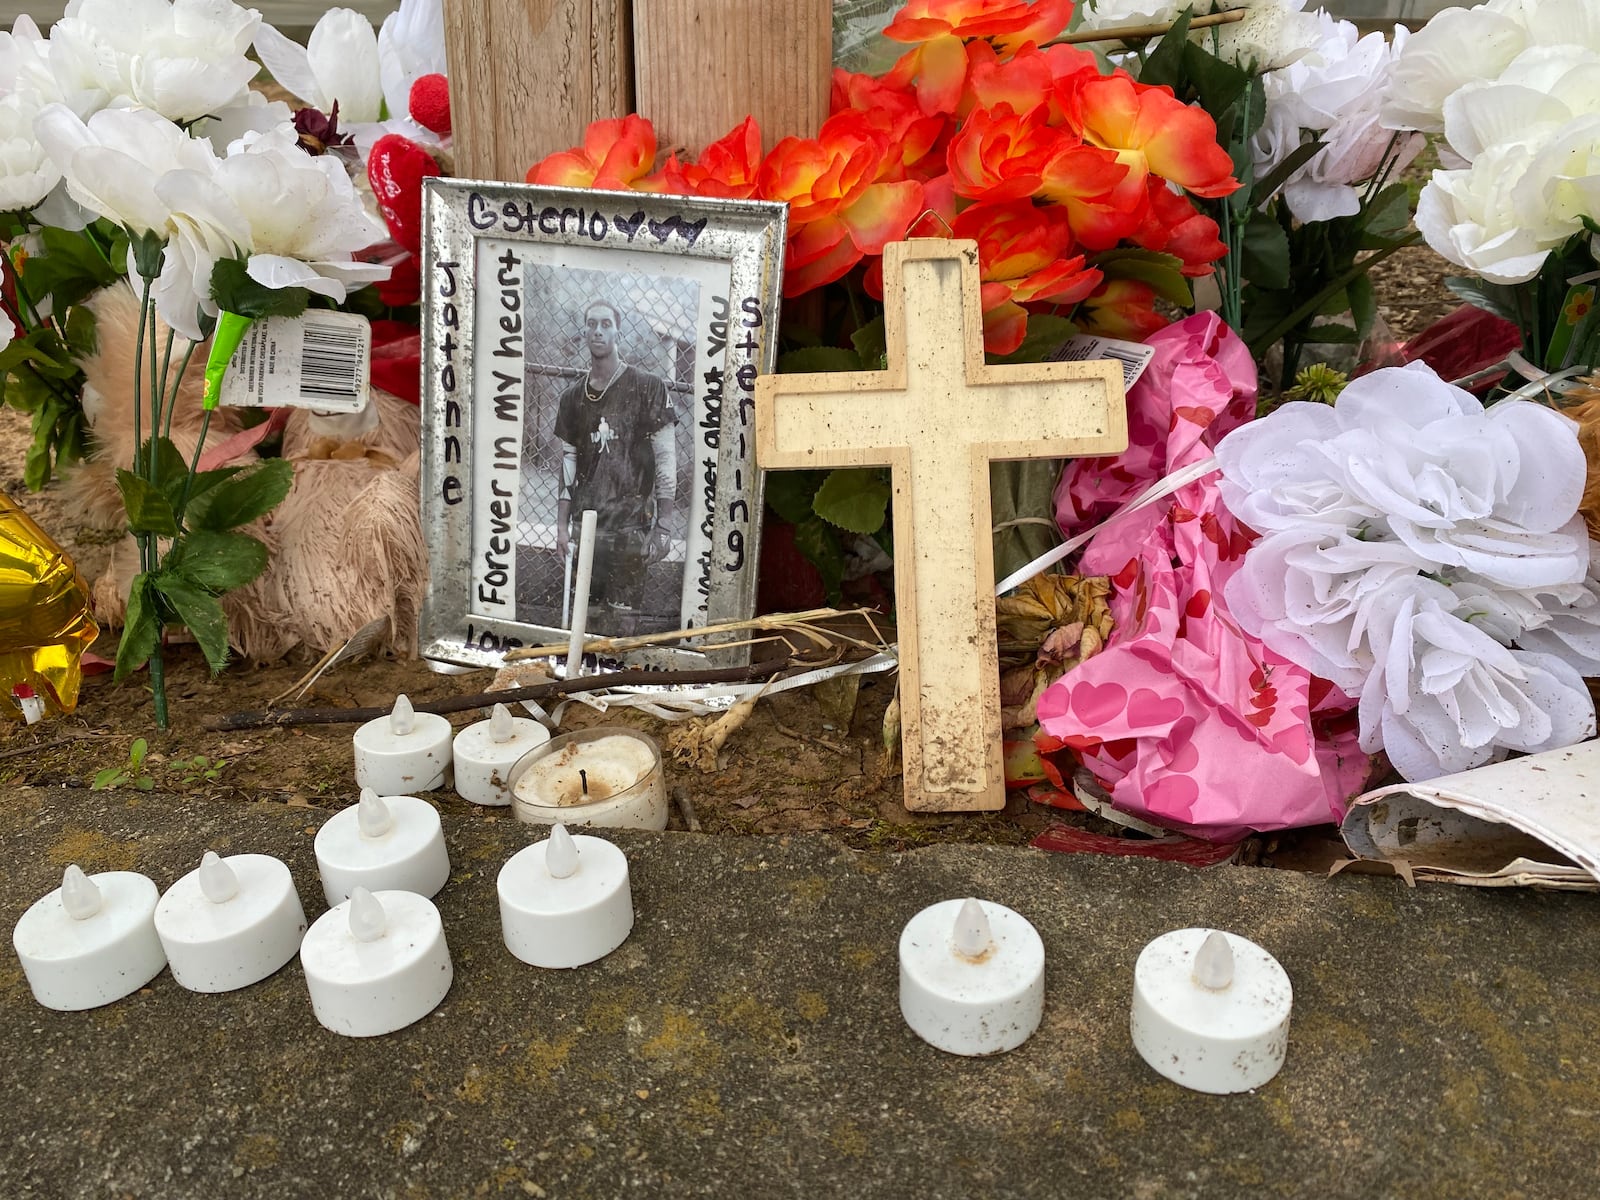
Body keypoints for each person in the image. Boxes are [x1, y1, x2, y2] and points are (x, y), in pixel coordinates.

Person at [553, 299, 677, 619]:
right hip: (587, 524)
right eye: (592, 324)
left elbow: (665, 460)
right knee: (587, 617)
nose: (598, 331)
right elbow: (568, 462)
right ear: (584, 332)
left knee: (623, 624)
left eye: (606, 324)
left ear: (618, 331)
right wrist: (562, 527)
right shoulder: (572, 398)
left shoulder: (648, 387)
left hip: (632, 526)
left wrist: (663, 524)